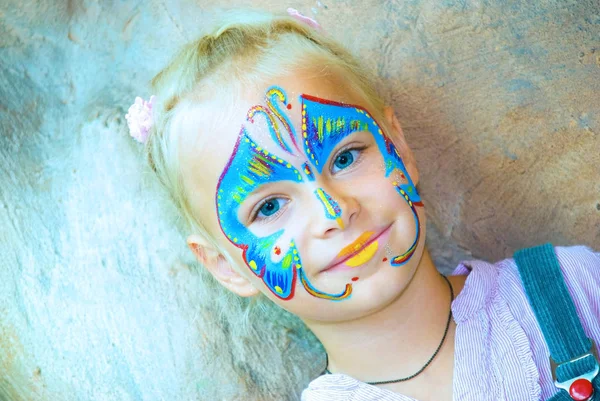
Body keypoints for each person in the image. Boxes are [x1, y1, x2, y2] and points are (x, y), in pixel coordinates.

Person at [124, 9, 600, 401]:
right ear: (224, 266)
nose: (335, 211)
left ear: (399, 147)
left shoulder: (575, 290)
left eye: (346, 157)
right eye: (268, 207)